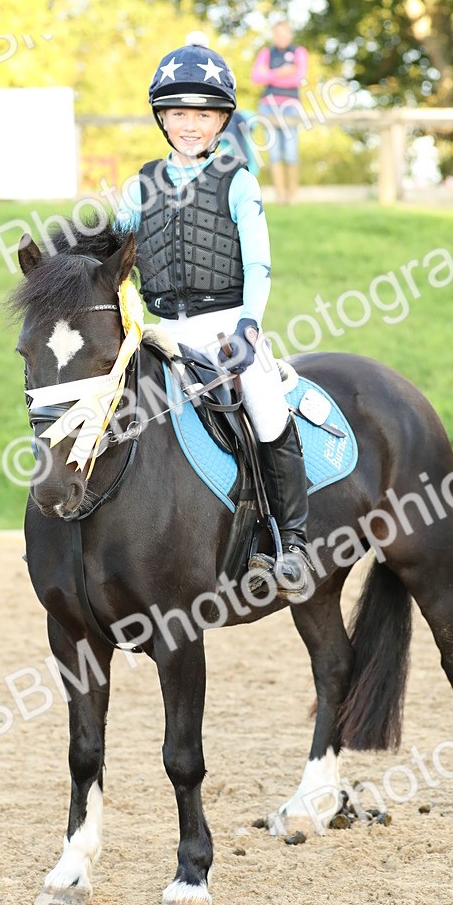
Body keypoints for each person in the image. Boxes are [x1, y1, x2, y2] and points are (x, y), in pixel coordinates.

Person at [118, 40, 313, 599]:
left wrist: (251, 325)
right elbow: (118, 261)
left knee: (267, 409)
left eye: (203, 114)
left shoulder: (239, 180)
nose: (190, 124)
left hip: (227, 325)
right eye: (178, 113)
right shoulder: (138, 187)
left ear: (222, 119)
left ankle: (289, 542)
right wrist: (129, 318)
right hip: (157, 332)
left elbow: (258, 261)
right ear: (162, 118)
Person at [250, 21, 308, 204]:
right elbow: (256, 77)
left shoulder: (299, 52)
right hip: (268, 105)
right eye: (278, 34)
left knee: (291, 151)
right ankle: (280, 195)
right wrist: (282, 72)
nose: (281, 38)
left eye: (284, 34)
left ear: (290, 35)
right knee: (274, 152)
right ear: (274, 36)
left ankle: (293, 195)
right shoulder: (266, 53)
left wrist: (270, 75)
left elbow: (299, 78)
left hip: (291, 106)